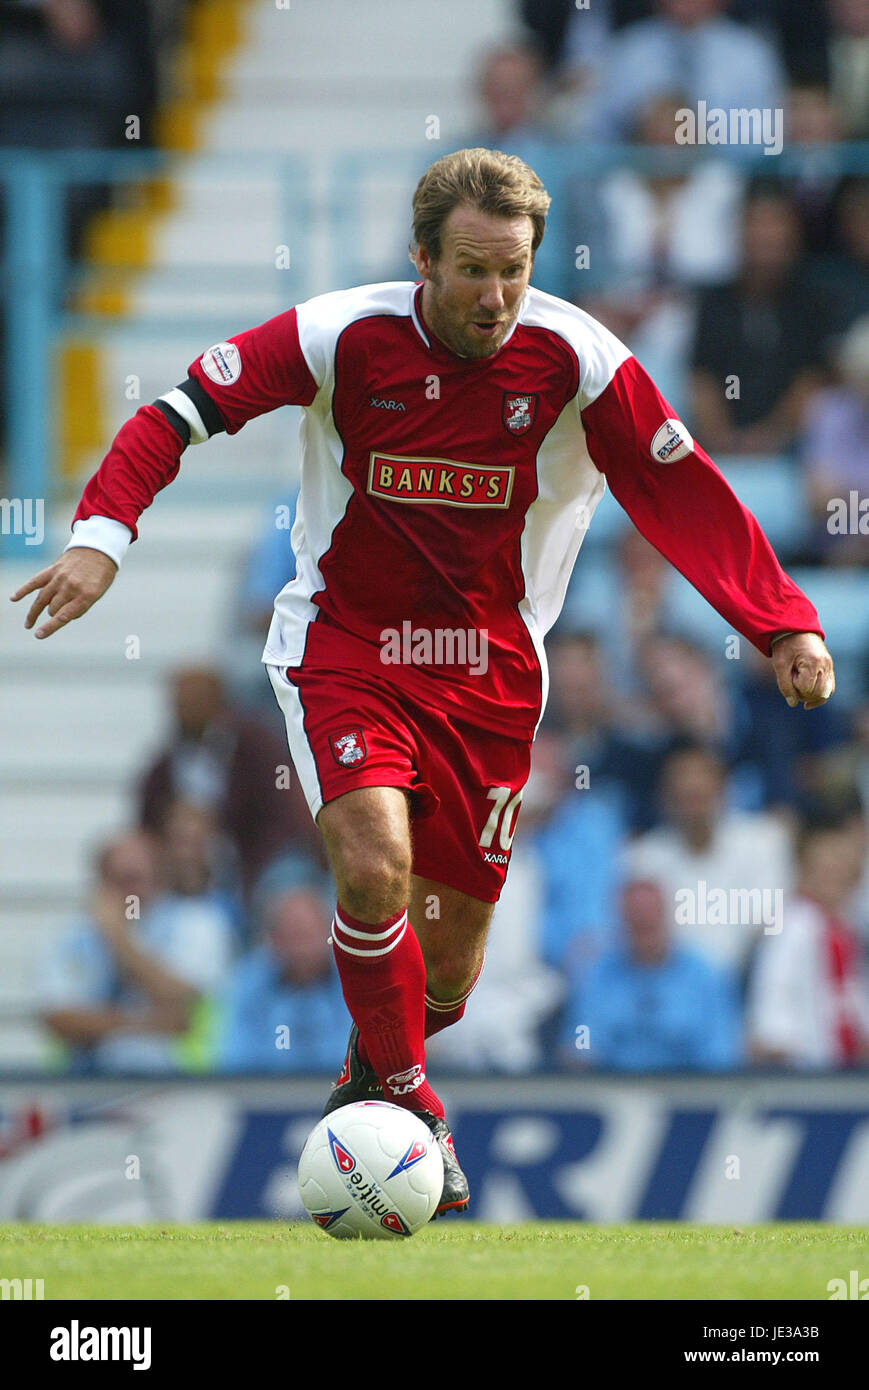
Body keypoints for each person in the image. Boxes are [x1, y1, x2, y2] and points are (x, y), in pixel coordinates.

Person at [12, 147, 836, 1216]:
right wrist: (102, 537)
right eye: (472, 270)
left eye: (515, 271)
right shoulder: (339, 335)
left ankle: (375, 1076)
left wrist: (780, 624)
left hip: (488, 672)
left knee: (443, 971)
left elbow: (678, 491)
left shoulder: (575, 356)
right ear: (420, 259)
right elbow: (176, 412)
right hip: (345, 647)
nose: (496, 296)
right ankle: (415, 1112)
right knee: (370, 871)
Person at [37, 830, 234, 1074]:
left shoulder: (196, 924)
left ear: (159, 880)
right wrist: (145, 1023)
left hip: (177, 1084)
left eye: (135, 879)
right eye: (116, 879)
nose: (127, 891)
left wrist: (119, 939)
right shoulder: (72, 937)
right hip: (86, 1086)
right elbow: (59, 1018)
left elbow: (183, 1004)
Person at [560, 877, 742, 1071]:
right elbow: (582, 1041)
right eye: (635, 916)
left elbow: (720, 1053)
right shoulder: (596, 977)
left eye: (649, 915)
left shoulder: (706, 978)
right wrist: (579, 1051)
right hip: (613, 1092)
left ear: (665, 916)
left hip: (689, 1092)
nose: (643, 920)